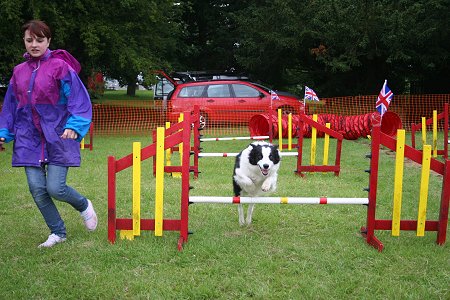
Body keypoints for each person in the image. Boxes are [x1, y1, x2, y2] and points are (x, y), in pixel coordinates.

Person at [0, 20, 97, 248]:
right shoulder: (18, 72)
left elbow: (78, 97)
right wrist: (4, 130)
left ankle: (83, 205)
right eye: (29, 40)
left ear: (48, 41)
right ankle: (58, 232)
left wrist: (75, 125)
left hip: (58, 134)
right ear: (24, 41)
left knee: (55, 188)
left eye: (40, 40)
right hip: (28, 138)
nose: (34, 44)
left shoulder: (60, 67)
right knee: (37, 189)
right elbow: (11, 104)